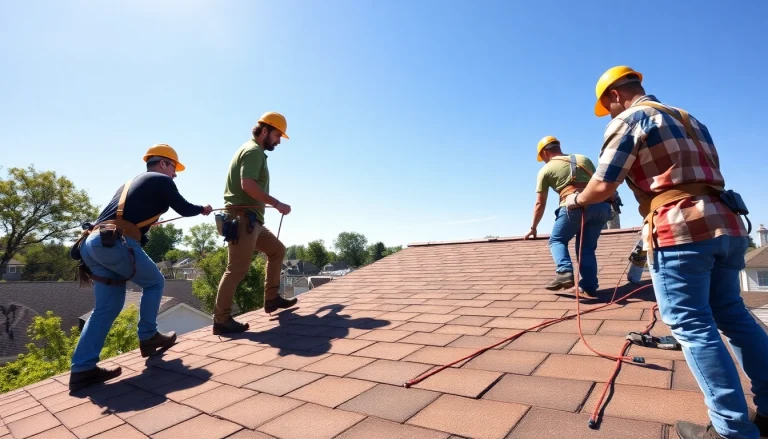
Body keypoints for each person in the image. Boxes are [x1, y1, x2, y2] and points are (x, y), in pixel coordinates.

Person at [566, 65, 768, 439]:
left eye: (607, 106)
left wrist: (576, 200)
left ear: (614, 95)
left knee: (693, 325)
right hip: (727, 223)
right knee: (733, 314)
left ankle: (730, 430)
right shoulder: (690, 119)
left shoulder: (629, 120)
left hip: (681, 229)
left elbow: (604, 185)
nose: (608, 113)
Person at [68, 144, 212, 392]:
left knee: (107, 307)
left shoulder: (131, 184)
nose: (175, 175)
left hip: (92, 244)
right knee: (155, 282)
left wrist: (143, 227)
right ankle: (148, 336)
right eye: (174, 169)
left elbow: (129, 226)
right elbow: (184, 208)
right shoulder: (161, 180)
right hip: (113, 242)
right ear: (163, 163)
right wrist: (202, 209)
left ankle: (82, 369)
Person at [212, 111, 295, 335]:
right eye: (277, 135)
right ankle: (221, 320)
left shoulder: (252, 150)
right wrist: (276, 203)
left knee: (277, 250)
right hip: (243, 219)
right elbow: (247, 184)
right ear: (265, 131)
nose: (279, 141)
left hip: (252, 220)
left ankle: (272, 298)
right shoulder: (253, 151)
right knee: (236, 269)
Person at [524, 136, 611, 295]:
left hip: (574, 207)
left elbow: (540, 203)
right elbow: (599, 182)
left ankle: (564, 272)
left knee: (557, 240)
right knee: (586, 248)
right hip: (601, 207)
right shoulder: (583, 159)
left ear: (544, 153)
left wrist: (533, 227)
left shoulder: (546, 170)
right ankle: (589, 286)